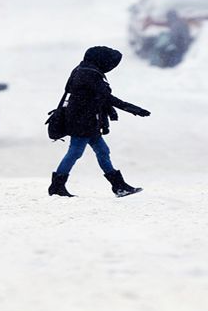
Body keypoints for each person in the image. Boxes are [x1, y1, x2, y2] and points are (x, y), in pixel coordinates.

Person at [48, 46, 151, 198]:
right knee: (75, 152)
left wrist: (108, 112)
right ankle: (57, 186)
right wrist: (133, 109)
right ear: (101, 60)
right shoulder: (88, 73)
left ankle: (118, 186)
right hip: (81, 121)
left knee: (102, 151)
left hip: (87, 120)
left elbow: (97, 97)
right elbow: (106, 97)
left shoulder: (83, 69)